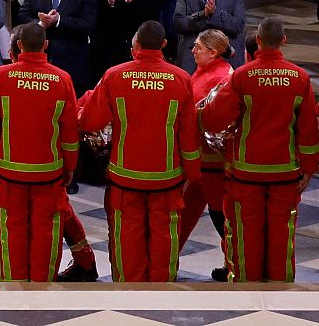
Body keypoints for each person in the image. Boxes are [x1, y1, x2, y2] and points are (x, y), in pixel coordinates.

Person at [0, 22, 78, 281]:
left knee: (11, 237)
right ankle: (43, 301)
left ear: (19, 46)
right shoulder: (63, 79)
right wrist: (69, 169)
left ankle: (11, 300)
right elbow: (70, 135)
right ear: (46, 45)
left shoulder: (0, 76)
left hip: (10, 177)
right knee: (46, 237)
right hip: (49, 176)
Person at [77, 19, 200, 282]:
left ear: (135, 45)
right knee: (164, 241)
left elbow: (89, 122)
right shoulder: (181, 79)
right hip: (167, 180)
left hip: (125, 178)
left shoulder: (115, 75)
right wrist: (192, 172)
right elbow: (189, 134)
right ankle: (160, 298)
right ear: (164, 45)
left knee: (126, 240)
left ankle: (128, 300)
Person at [202, 18, 319, 283]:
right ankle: (281, 295)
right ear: (284, 40)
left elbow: (216, 119)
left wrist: (200, 116)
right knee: (281, 238)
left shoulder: (243, 76)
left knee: (244, 237)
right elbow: (309, 130)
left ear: (258, 41)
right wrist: (309, 169)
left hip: (246, 174)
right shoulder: (299, 78)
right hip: (285, 174)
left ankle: (246, 293)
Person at [179, 27, 233, 271]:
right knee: (184, 212)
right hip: (199, 158)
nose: (193, 50)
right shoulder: (205, 71)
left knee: (218, 214)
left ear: (213, 52)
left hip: (213, 162)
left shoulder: (222, 77)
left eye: (198, 47)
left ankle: (234, 263)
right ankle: (166, 260)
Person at [18, 0, 99, 93]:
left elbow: (88, 25)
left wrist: (59, 21)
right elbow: (23, 16)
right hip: (39, 68)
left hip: (73, 66)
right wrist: (41, 24)